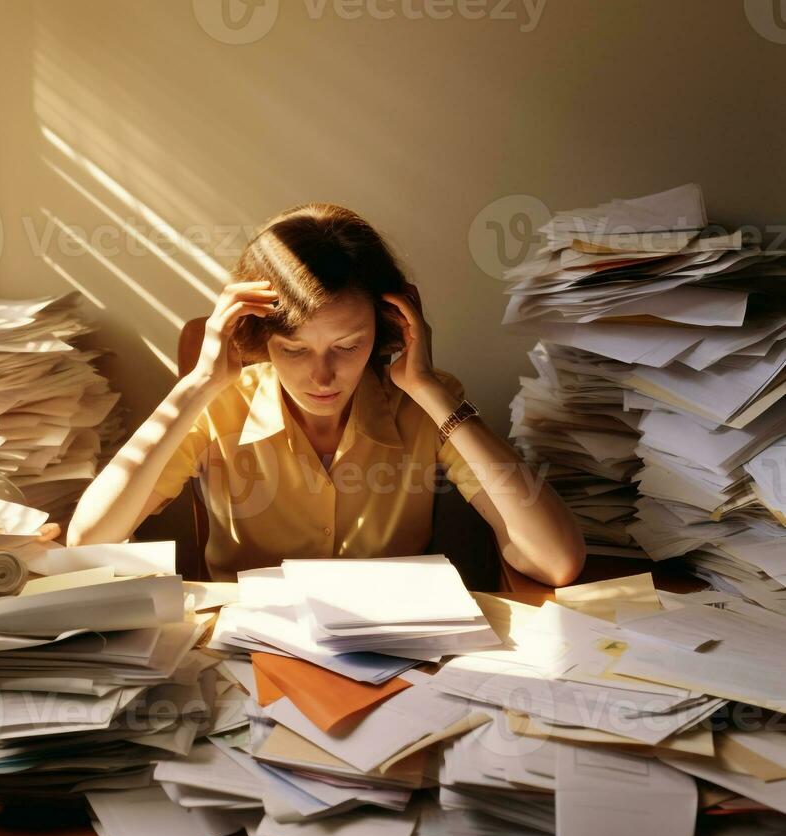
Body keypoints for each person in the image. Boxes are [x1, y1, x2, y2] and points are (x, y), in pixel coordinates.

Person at [65, 203, 586, 585]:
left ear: (387, 330)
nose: (322, 376)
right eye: (294, 349)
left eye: (347, 345)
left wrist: (429, 389)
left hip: (395, 660)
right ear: (261, 338)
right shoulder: (222, 403)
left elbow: (555, 561)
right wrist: (200, 382)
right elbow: (90, 543)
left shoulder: (426, 404)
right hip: (250, 658)